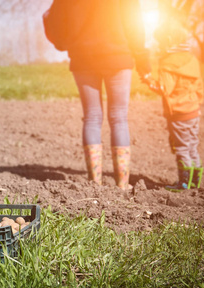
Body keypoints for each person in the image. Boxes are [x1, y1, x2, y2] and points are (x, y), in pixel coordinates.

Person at [55, 0, 151, 189]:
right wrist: (142, 60)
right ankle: (122, 185)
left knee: (92, 117)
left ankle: (94, 184)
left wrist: (70, 43)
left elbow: (56, 22)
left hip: (83, 57)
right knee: (119, 118)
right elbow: (134, 24)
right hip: (118, 56)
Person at [142, 17, 204, 192]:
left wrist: (149, 81)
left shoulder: (168, 64)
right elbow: (199, 87)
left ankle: (184, 184)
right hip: (193, 111)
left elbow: (165, 89)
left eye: (160, 42)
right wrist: (196, 103)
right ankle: (195, 183)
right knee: (192, 146)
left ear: (168, 41)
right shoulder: (192, 60)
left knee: (182, 148)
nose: (159, 46)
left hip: (178, 113)